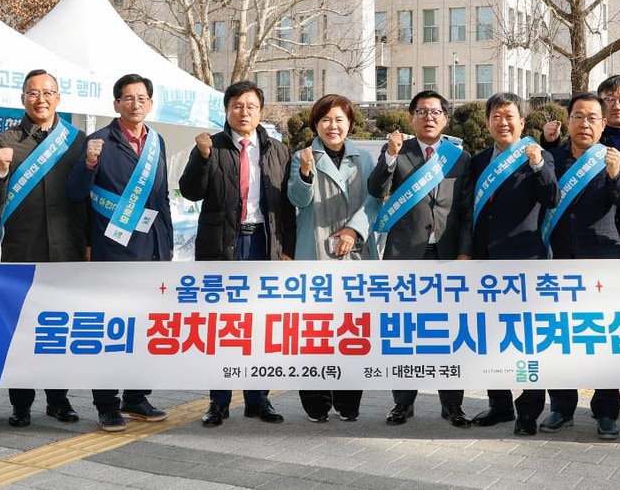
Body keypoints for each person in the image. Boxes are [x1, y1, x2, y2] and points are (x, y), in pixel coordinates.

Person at [180, 80, 295, 428]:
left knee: (260, 323)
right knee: (223, 325)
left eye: (251, 106)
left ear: (260, 111)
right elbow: (190, 192)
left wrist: (286, 249)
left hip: (262, 243)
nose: (244, 112)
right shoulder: (209, 146)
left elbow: (286, 206)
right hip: (222, 247)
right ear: (226, 110)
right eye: (237, 106)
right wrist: (201, 159)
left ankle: (259, 400)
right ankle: (218, 402)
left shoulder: (277, 149)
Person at [540, 73, 620, 419]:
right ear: (568, 120)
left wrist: (618, 175)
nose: (585, 124)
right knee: (559, 338)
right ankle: (561, 407)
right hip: (557, 259)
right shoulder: (551, 158)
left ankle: (606, 410)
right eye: (578, 117)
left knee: (603, 336)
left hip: (602, 258)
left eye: (592, 118)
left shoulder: (611, 158)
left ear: (603, 124)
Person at [0, 69, 88, 428]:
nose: (40, 99)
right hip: (22, 250)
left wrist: (87, 245)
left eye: (48, 93)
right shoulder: (5, 140)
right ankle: (20, 404)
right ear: (22, 97)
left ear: (58, 97)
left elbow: (86, 198)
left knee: (61, 328)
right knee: (24, 329)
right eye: (33, 93)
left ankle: (59, 400)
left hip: (67, 250)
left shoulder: (76, 140)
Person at [66, 73, 174, 432]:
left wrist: (168, 244)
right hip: (112, 251)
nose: (135, 104)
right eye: (128, 98)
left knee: (146, 327)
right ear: (116, 104)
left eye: (142, 98)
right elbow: (76, 194)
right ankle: (107, 404)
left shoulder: (157, 142)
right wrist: (90, 164)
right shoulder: (97, 142)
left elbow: (162, 200)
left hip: (152, 252)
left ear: (150, 103)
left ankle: (137, 397)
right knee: (112, 329)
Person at [367, 89, 471, 428]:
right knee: (405, 332)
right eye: (422, 111)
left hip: (447, 255)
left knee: (451, 333)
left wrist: (465, 250)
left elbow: (466, 210)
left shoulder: (460, 157)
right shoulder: (397, 150)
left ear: (445, 118)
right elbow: (374, 187)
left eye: (436, 111)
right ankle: (402, 403)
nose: (429, 117)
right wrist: (391, 157)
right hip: (406, 256)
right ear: (411, 118)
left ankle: (452, 405)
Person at [460, 92, 556, 436]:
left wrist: (537, 166)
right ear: (488, 123)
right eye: (497, 116)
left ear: (522, 122)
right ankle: (499, 405)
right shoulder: (478, 160)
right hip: (486, 261)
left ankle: (528, 412)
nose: (503, 122)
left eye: (509, 116)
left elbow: (552, 197)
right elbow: (470, 211)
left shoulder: (537, 156)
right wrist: (468, 253)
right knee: (489, 337)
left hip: (525, 262)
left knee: (528, 339)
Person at [288, 93, 376, 423]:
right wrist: (307, 173)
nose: (333, 126)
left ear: (350, 124)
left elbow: (373, 203)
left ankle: (348, 400)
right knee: (315, 330)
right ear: (316, 124)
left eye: (339, 119)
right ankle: (315, 401)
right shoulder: (302, 155)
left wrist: (354, 230)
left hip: (355, 255)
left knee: (352, 328)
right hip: (314, 251)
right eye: (325, 119)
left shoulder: (364, 159)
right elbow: (297, 198)